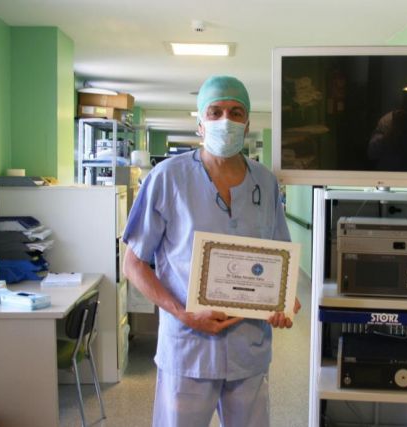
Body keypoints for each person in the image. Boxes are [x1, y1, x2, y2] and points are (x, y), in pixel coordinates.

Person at [122, 75, 300, 427]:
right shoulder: (167, 178)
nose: (226, 121)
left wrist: (284, 301)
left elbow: (280, 257)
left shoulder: (265, 182)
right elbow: (133, 263)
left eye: (236, 112)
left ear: (247, 123)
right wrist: (183, 313)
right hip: (188, 348)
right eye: (215, 112)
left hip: (248, 351)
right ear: (200, 123)